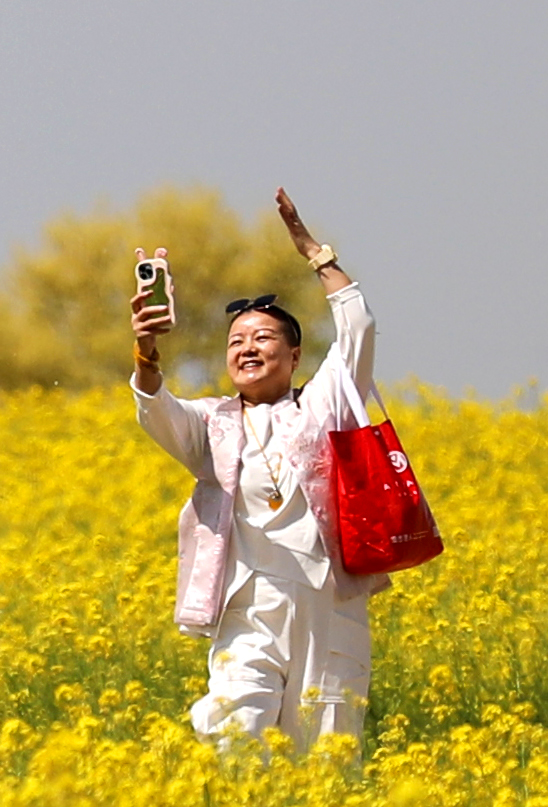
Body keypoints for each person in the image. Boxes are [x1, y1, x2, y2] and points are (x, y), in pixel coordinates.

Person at [130, 189, 384, 751]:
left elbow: (358, 331)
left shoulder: (325, 406)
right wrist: (146, 350)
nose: (248, 348)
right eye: (236, 341)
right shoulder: (211, 425)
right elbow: (155, 409)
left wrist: (316, 254)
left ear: (295, 357)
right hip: (249, 609)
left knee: (325, 754)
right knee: (232, 733)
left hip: (328, 604)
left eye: (263, 338)